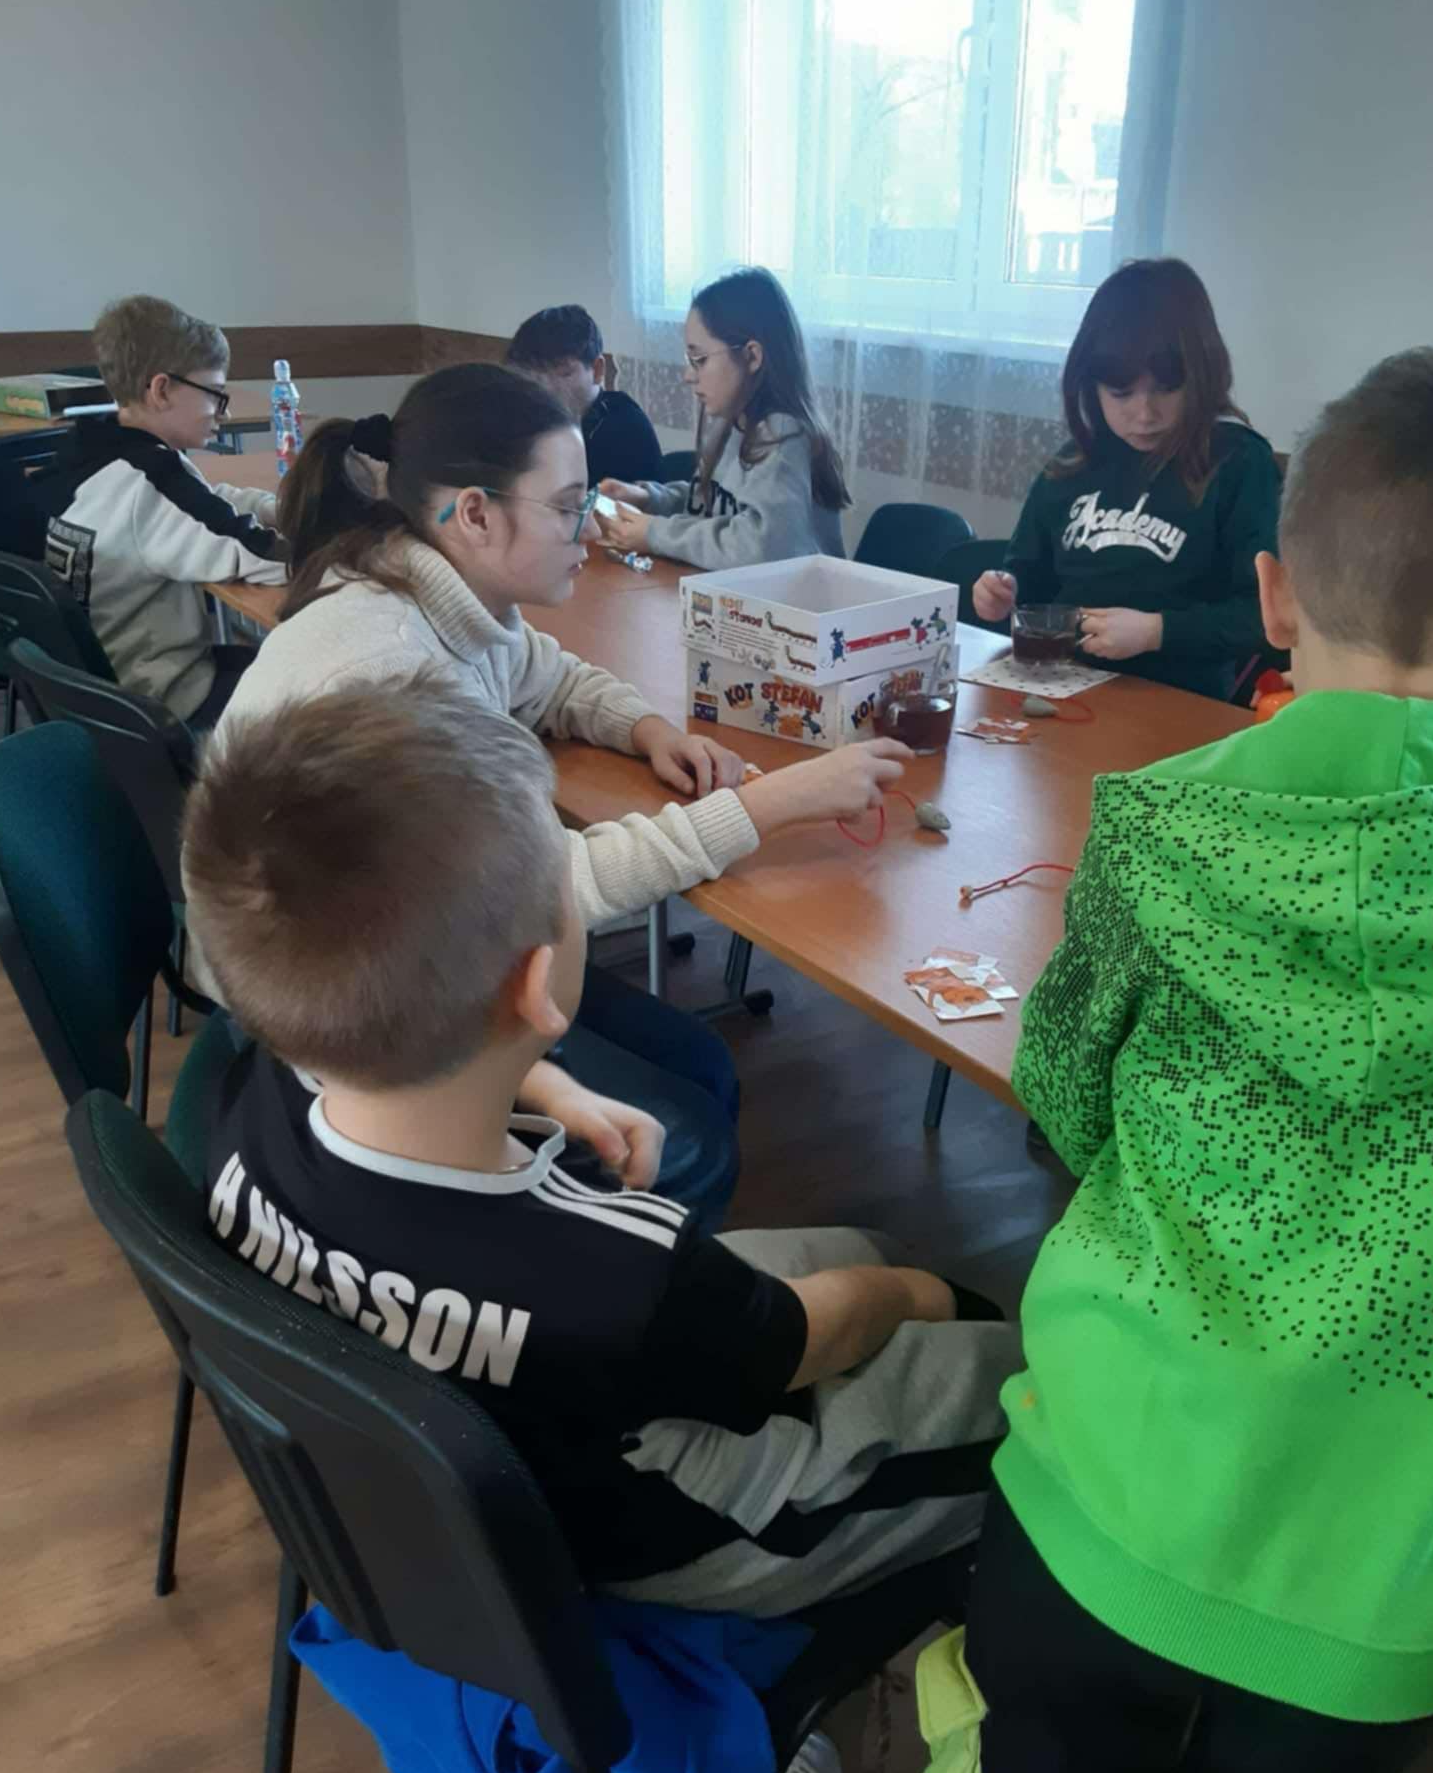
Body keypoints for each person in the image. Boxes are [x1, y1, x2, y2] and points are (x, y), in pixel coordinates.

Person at [923, 346, 1433, 1773]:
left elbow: (1065, 1092)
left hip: (1109, 1484)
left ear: (1270, 591)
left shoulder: (1161, 825)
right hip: (1390, 1579)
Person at [188, 674, 1019, 1615]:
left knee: (865, 1254)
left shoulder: (247, 1096)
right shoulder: (619, 1266)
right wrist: (915, 1298)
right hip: (671, 1521)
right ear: (537, 983)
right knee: (1022, 1387)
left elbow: (394, 1061)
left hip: (509, 1438)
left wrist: (551, 1084)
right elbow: (798, 1342)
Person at [212, 361, 911, 1224]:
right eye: (568, 505)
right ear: (475, 514)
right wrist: (768, 807)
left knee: (700, 1063)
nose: (592, 526)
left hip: (400, 964)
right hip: (341, 1030)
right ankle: (614, 1265)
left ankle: (652, 1254)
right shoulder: (390, 674)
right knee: (690, 1132)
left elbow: (548, 674)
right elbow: (542, 898)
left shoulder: (425, 585)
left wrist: (647, 730)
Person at [970, 258, 1279, 699]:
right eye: (1121, 393)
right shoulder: (1072, 463)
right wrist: (1003, 592)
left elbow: (1261, 616)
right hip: (1061, 684)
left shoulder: (1240, 463)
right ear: (1091, 387)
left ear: (1201, 377)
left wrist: (1157, 632)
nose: (1145, 414)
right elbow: (1027, 576)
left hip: (1178, 698)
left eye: (1167, 389)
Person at [37, 294, 286, 728]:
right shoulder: (153, 478)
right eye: (215, 394)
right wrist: (350, 541)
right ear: (162, 390)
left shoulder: (92, 455)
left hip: (102, 702)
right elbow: (261, 554)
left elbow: (203, 502)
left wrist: (277, 508)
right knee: (323, 685)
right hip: (166, 708)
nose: (223, 413)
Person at [595, 266, 848, 570]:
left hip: (794, 598)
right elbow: (714, 507)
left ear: (752, 356)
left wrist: (654, 533)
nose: (688, 375)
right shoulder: (733, 424)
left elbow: (763, 549)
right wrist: (650, 499)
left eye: (699, 359)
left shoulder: (783, 434)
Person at [507, 304, 663, 486]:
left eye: (563, 373)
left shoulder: (626, 428)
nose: (546, 387)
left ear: (597, 370)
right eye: (534, 376)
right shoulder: (524, 417)